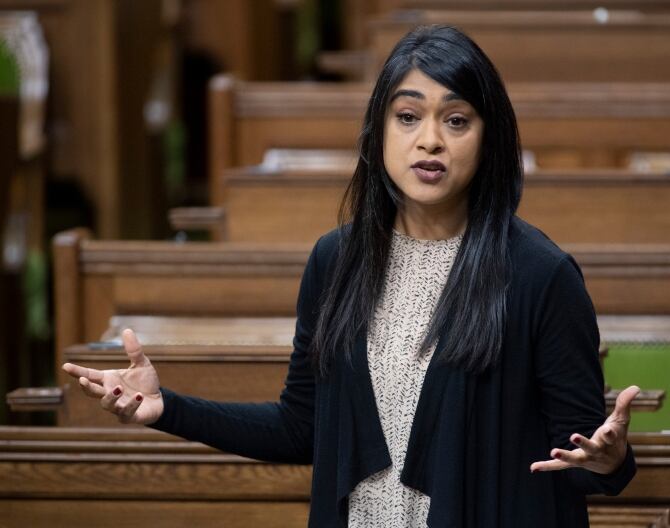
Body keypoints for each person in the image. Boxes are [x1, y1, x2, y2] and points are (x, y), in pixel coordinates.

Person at [63, 25, 639, 527]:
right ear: (379, 132)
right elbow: (300, 427)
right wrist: (168, 409)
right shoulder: (336, 262)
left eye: (457, 119)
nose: (430, 139)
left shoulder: (542, 275)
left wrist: (609, 460)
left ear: (489, 140)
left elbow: (582, 461)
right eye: (408, 117)